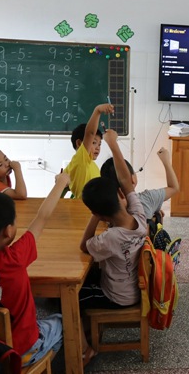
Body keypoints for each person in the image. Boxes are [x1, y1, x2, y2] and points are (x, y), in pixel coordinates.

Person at [0, 172, 69, 366]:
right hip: (21, 350)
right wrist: (61, 183)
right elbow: (42, 218)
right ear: (8, 231)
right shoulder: (15, 258)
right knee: (64, 321)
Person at [78, 129, 147, 312]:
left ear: (98, 213)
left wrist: (94, 216)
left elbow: (84, 246)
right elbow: (125, 181)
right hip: (136, 289)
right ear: (120, 194)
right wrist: (112, 143)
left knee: (69, 296)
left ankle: (78, 329)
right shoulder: (139, 216)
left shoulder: (111, 237)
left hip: (116, 297)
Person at [100, 146, 180, 220]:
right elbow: (174, 188)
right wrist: (166, 162)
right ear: (133, 179)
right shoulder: (148, 198)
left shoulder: (104, 209)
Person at [65, 103, 115, 199]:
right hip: (84, 207)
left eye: (99, 144)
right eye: (94, 143)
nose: (98, 147)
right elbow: (90, 133)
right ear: (79, 143)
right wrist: (98, 110)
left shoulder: (89, 164)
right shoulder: (81, 159)